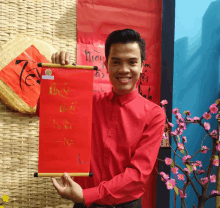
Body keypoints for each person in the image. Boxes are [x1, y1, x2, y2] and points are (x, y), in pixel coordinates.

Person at [39, 29, 166, 208]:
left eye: (132, 62)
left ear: (142, 66)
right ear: (106, 65)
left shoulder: (154, 115)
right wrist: (57, 74)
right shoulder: (88, 102)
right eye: (116, 62)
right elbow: (48, 113)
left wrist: (88, 195)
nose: (124, 70)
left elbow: (137, 175)